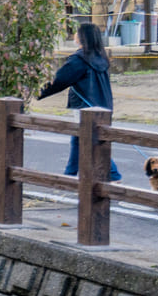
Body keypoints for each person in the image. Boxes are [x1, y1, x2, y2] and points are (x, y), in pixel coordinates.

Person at [38, 22, 121, 181]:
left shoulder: (79, 59)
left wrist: (37, 93)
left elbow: (59, 81)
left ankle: (113, 174)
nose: (74, 35)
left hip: (85, 106)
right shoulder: (100, 57)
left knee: (91, 141)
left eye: (77, 32)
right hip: (103, 105)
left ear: (82, 37)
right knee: (79, 138)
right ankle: (69, 174)